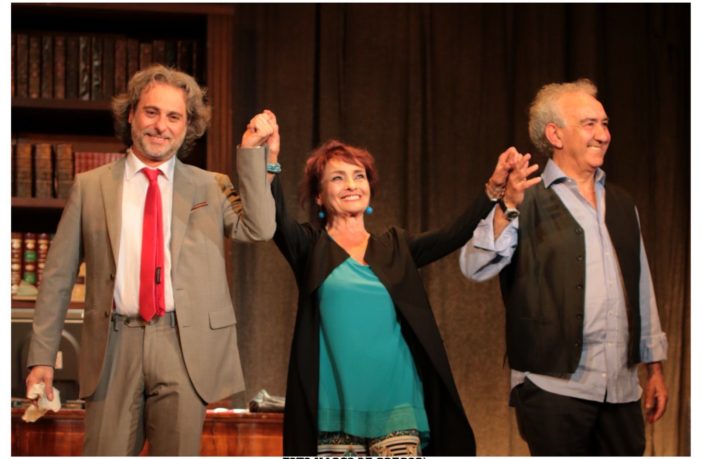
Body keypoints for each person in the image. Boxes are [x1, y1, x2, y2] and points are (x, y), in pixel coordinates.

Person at [25, 64, 276, 455]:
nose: (161, 126)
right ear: (131, 115)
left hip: (183, 344)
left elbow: (259, 228)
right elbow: (58, 277)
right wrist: (41, 356)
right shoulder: (90, 186)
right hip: (113, 346)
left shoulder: (210, 185)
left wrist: (253, 154)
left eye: (174, 116)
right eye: (151, 112)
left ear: (187, 125)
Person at [260, 112, 519, 456]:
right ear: (319, 196)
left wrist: (493, 190)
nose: (352, 185)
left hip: (397, 404)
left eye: (359, 176)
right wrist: (269, 158)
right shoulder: (310, 247)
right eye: (337, 178)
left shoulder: (395, 247)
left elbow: (453, 234)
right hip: (334, 408)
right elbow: (274, 217)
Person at [459, 79, 668, 455]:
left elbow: (642, 288)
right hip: (554, 389)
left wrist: (654, 367)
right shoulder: (525, 197)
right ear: (555, 134)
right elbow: (474, 266)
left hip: (621, 391)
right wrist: (508, 208)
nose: (603, 135)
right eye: (589, 124)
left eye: (605, 124)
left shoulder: (622, 203)